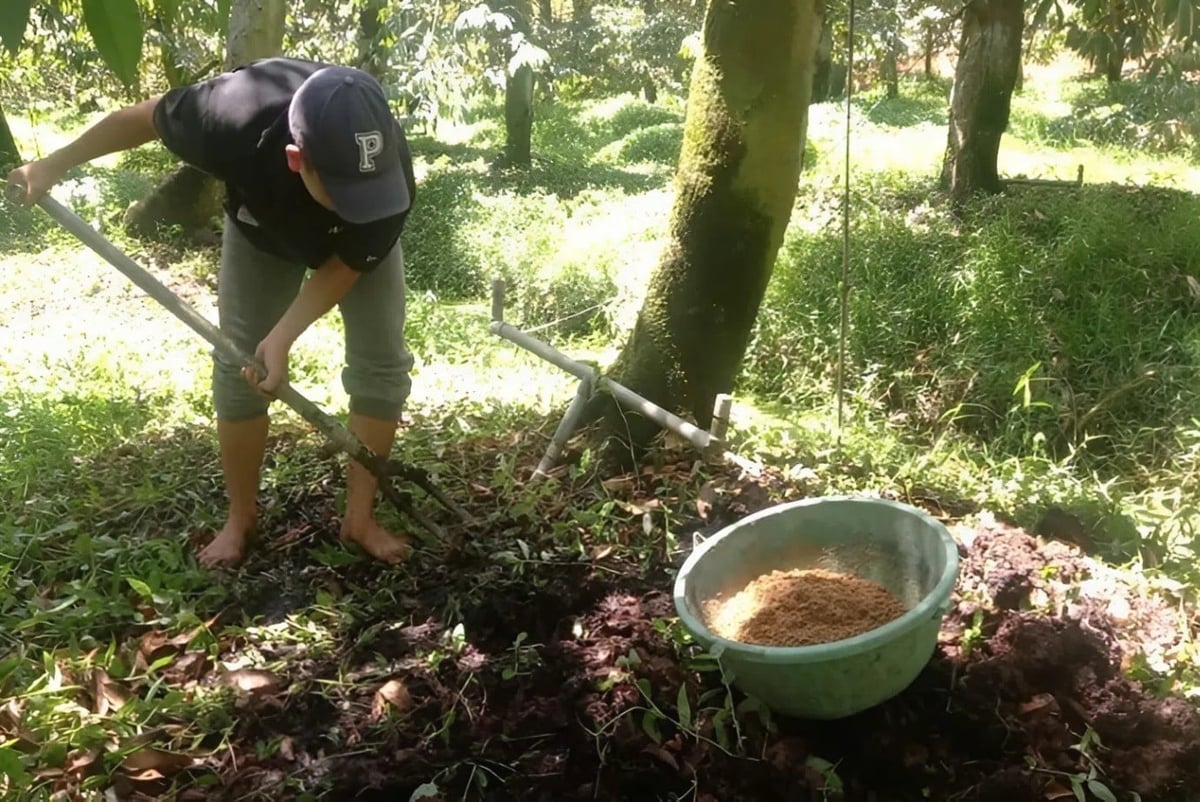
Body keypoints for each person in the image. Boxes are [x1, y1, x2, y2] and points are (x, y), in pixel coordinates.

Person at [5, 57, 418, 569]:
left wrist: (285, 334)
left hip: (351, 252)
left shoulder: (386, 174)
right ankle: (240, 517)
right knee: (238, 361)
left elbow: (350, 263)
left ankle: (360, 518)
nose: (354, 202)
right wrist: (53, 164)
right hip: (263, 231)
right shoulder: (231, 116)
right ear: (297, 159)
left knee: (382, 361)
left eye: (364, 191)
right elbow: (140, 118)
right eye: (340, 191)